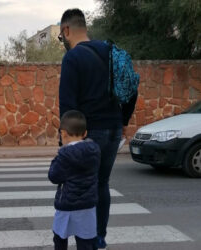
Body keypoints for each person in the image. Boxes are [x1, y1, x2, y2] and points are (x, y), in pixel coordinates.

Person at [58, 9, 137, 249]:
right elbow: (132, 87)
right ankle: (99, 237)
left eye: (62, 38)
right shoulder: (110, 51)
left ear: (66, 31)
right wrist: (123, 121)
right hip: (112, 129)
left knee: (81, 183)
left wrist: (65, 142)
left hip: (87, 132)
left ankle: (85, 239)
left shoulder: (72, 58)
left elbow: (68, 105)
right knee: (101, 183)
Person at [49, 110, 100, 250]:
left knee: (60, 238)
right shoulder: (94, 151)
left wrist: (57, 157)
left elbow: (53, 176)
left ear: (63, 133)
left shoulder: (64, 155)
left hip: (67, 205)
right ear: (85, 133)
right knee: (86, 242)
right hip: (88, 206)